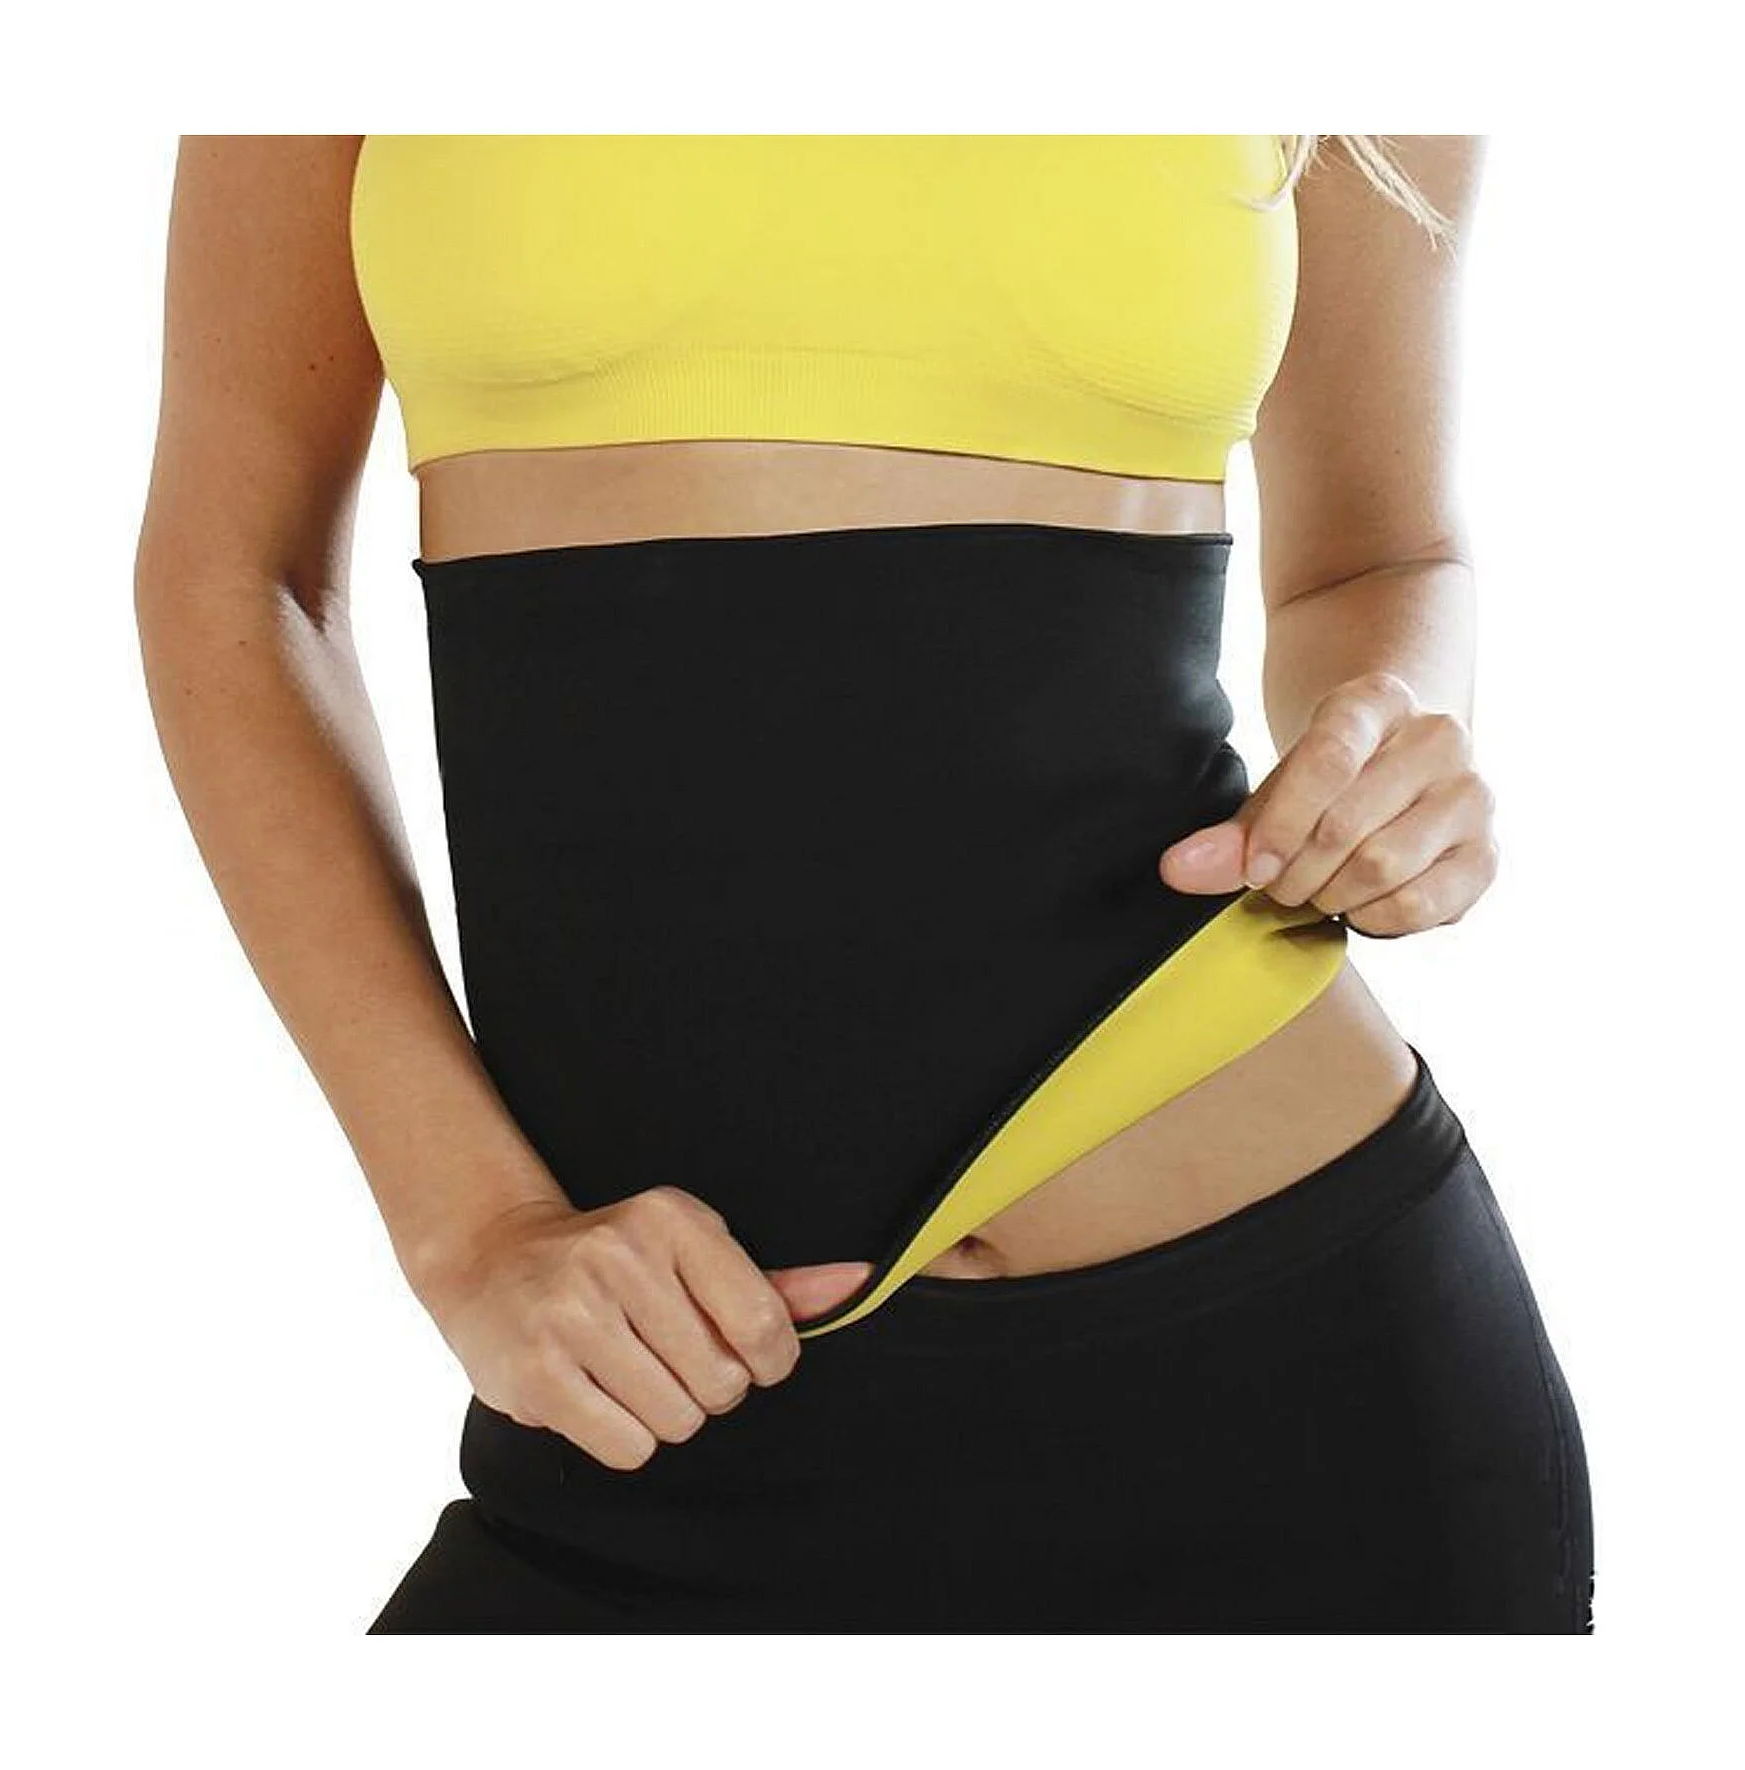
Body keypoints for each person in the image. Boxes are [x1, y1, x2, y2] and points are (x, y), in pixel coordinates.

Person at [135, 133, 1592, 1632]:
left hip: (1297, 1371)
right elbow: (239, 575)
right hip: (663, 1402)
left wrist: (1394, 736)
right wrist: (466, 1226)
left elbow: (1377, 557)